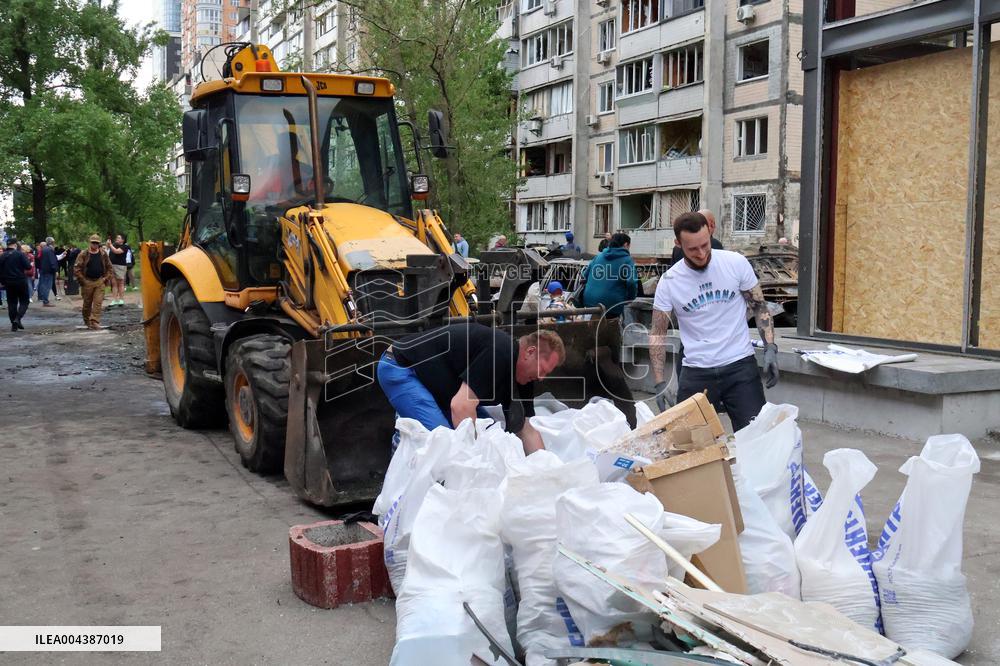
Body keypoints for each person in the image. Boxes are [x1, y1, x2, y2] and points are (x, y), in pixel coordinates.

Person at [649, 212, 779, 432]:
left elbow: (759, 307)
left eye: (705, 245)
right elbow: (657, 332)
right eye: (692, 249)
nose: (701, 254)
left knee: (756, 437)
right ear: (678, 244)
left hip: (740, 366)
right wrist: (660, 382)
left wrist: (770, 347)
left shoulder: (735, 263)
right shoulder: (669, 281)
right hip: (696, 371)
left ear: (710, 233)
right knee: (689, 444)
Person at [376, 323, 565, 455]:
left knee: (493, 434)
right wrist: (478, 460)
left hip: (439, 387)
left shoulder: (525, 377)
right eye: (542, 369)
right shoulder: (500, 352)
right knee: (443, 443)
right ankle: (404, 438)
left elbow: (525, 430)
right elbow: (461, 407)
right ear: (530, 352)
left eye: (546, 373)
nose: (541, 377)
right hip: (401, 368)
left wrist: (547, 470)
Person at [579, 232, 639, 318]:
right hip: (612, 305)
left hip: (589, 302)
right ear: (626, 245)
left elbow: (585, 275)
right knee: (610, 329)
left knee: (592, 328)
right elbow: (632, 282)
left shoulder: (598, 256)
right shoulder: (627, 260)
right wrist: (630, 298)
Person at [74, 234, 114, 330]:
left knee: (98, 302)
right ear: (90, 243)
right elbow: (77, 268)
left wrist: (106, 278)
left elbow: (109, 267)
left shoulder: (103, 254)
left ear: (99, 244)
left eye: (97, 243)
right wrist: (82, 280)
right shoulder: (83, 254)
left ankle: (95, 321)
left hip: (100, 281)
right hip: (87, 281)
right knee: (87, 303)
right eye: (93, 242)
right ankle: (87, 321)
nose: (95, 244)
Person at [0, 239, 31, 331]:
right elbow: (28, 266)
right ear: (15, 245)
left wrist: (1, 281)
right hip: (20, 280)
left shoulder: (2, 256)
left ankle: (14, 323)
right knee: (24, 301)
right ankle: (18, 318)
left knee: (12, 303)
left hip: (8, 282)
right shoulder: (20, 254)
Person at [107, 234, 129, 306]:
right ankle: (115, 300)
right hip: (112, 266)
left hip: (120, 266)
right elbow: (108, 248)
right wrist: (109, 244)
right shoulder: (114, 245)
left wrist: (110, 245)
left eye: (119, 238)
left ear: (123, 240)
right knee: (113, 283)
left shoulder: (125, 246)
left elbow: (116, 251)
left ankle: (121, 300)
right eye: (116, 237)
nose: (117, 239)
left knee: (120, 283)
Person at [36, 240, 60, 307]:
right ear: (52, 243)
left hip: (43, 269)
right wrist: (56, 270)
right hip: (49, 271)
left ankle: (41, 297)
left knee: (43, 285)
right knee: (47, 286)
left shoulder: (44, 249)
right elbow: (52, 261)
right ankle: (45, 301)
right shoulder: (50, 250)